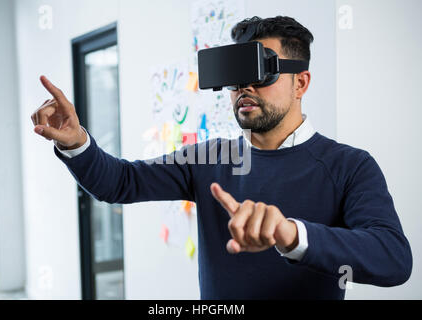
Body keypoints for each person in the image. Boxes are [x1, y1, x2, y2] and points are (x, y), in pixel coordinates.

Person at [31, 16, 412, 299]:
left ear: (301, 82)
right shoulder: (210, 158)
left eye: (261, 72)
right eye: (235, 75)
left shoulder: (350, 166)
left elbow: (393, 259)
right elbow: (120, 182)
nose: (245, 86)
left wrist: (292, 235)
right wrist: (76, 141)